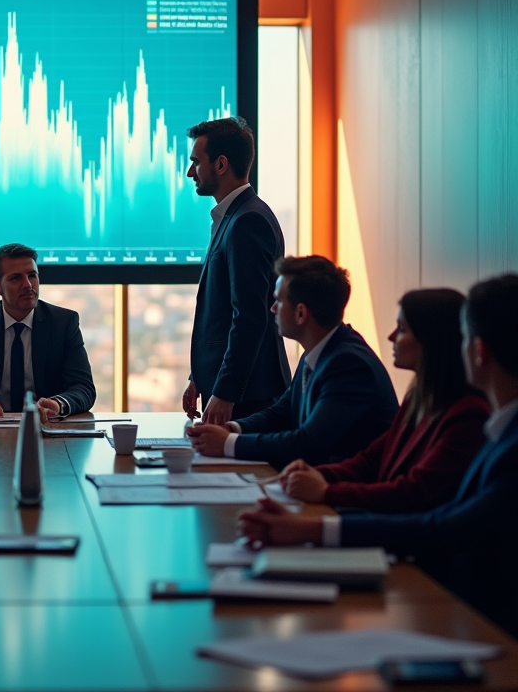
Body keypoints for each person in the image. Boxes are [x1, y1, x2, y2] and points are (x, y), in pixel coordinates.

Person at [238, 274, 518, 636]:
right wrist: (322, 481)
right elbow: (375, 457)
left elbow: (433, 514)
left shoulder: (477, 421)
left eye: (400, 329)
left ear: (478, 351)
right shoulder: (428, 399)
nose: (389, 338)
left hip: (470, 615)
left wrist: (318, 515)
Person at [277, 288, 489, 512]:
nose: (391, 337)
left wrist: (325, 491)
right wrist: (316, 475)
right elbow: (371, 460)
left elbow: (413, 493)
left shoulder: (468, 415)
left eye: (402, 329)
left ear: (431, 340)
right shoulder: (418, 397)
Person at [187, 255, 399, 468]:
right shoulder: (319, 350)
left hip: (347, 496)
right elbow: (282, 413)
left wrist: (228, 444)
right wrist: (232, 429)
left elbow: (308, 443)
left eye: (278, 300)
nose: (272, 308)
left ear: (300, 313)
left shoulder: (349, 365)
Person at [182, 117, 291, 425]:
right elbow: (220, 316)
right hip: (241, 391)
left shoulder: (247, 222)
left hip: (249, 396)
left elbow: (249, 316)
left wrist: (226, 392)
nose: (190, 172)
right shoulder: (235, 216)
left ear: (221, 164)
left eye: (195, 162)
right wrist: (199, 377)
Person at [0, 243, 96, 420]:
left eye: (32, 276)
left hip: (47, 426)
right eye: (16, 278)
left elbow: (83, 388)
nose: (28, 285)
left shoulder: (63, 323)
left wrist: (58, 404)